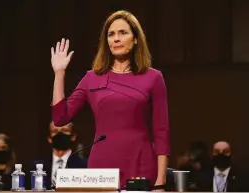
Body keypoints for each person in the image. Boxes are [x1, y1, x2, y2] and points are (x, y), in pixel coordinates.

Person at [51, 10, 170, 189]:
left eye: (123, 33)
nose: (116, 38)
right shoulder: (92, 78)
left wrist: (160, 181)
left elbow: (162, 132)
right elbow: (60, 118)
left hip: (140, 163)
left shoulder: (153, 78)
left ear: (136, 38)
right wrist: (59, 74)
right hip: (102, 168)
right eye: (111, 34)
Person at [34, 122, 87, 190]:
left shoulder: (83, 165)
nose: (59, 134)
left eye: (64, 131)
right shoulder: (38, 166)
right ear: (49, 138)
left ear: (73, 137)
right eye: (55, 131)